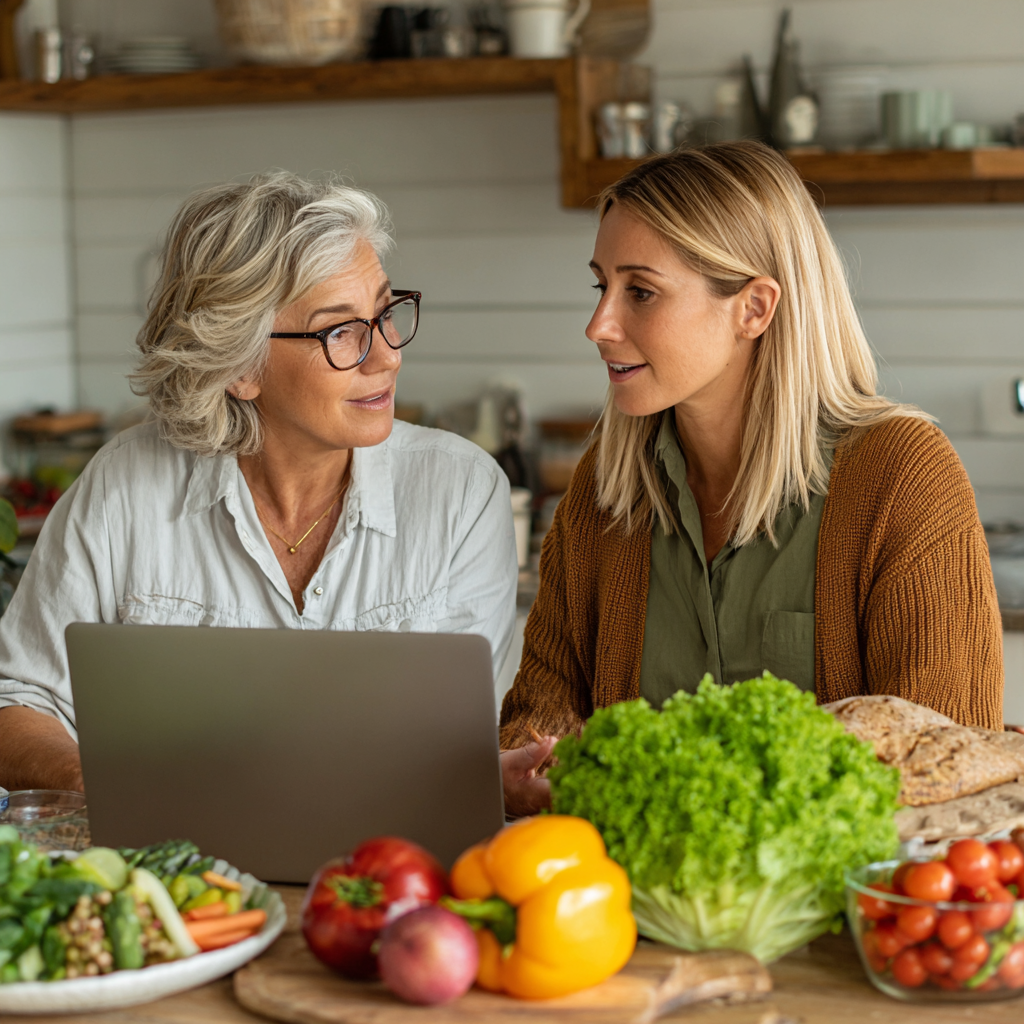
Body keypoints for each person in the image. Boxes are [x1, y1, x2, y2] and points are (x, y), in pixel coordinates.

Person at [500, 141, 1003, 816]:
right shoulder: (603, 490)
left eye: (640, 291)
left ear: (754, 308)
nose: (599, 324)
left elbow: (948, 773)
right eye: (602, 286)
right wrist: (522, 771)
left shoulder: (902, 478)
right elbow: (538, 725)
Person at [0, 173, 517, 792]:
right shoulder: (124, 488)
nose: (387, 356)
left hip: (391, 850)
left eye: (384, 313)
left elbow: (461, 747)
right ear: (240, 367)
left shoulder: (461, 492)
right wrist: (107, 786)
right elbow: (20, 701)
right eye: (339, 331)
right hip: (175, 850)